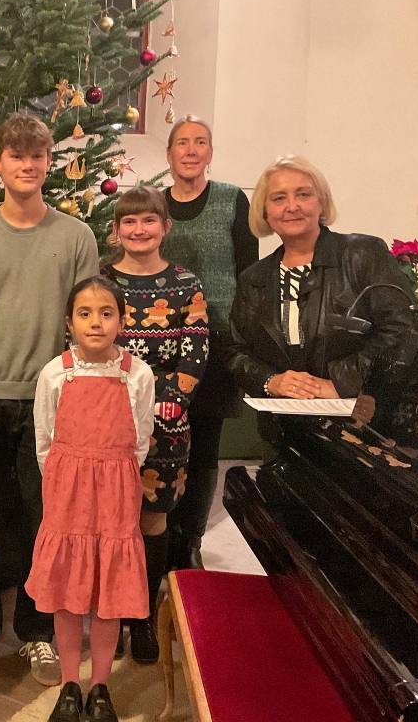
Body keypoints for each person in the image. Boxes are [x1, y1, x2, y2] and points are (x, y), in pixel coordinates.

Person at [0, 113, 99, 684]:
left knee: (45, 521)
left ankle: (36, 632)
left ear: (48, 162)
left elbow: (84, 323)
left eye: (37, 156)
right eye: (16, 155)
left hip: (50, 402)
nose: (27, 165)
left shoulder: (76, 236)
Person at [26, 276, 156, 722]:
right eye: (85, 314)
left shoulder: (137, 374)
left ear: (122, 320)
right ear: (69, 322)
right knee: (67, 592)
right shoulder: (55, 372)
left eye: (106, 313)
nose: (96, 323)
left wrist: (114, 472)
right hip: (67, 491)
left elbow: (140, 437)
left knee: (108, 592)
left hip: (117, 491)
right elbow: (44, 439)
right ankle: (69, 685)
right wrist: (66, 479)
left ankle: (100, 685)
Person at [101, 187, 209, 663]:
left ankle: (142, 616)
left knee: (152, 518)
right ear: (117, 230)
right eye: (129, 222)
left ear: (165, 227)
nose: (139, 230)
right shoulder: (101, 283)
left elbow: (197, 345)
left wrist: (170, 398)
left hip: (167, 421)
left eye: (148, 220)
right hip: (107, 418)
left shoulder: (186, 283)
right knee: (109, 521)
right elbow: (90, 341)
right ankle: (110, 615)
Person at [227, 155, 418, 400]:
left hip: (359, 417)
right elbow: (236, 350)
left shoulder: (363, 254)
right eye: (279, 198)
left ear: (322, 203)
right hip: (280, 421)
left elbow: (405, 328)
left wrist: (341, 383)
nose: (292, 206)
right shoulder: (252, 279)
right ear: (265, 212)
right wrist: (271, 381)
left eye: (303, 194)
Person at [159, 116, 257, 571]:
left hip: (216, 342)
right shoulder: (154, 206)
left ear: (210, 152)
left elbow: (248, 272)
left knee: (203, 448)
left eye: (201, 142)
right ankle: (159, 533)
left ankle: (190, 541)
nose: (192, 150)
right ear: (170, 154)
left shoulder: (232, 200)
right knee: (162, 442)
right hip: (163, 341)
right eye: (183, 142)